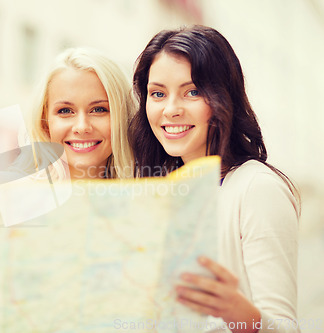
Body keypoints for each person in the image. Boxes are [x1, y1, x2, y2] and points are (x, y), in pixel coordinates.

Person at [129, 25, 300, 332]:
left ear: (223, 97)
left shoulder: (256, 188)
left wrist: (235, 310)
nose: (170, 109)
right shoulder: (164, 191)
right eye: (157, 94)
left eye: (192, 91)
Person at [23, 47, 134, 180]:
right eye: (65, 111)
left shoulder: (150, 193)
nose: (82, 127)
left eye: (98, 109)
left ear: (124, 116)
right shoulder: (19, 196)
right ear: (44, 121)